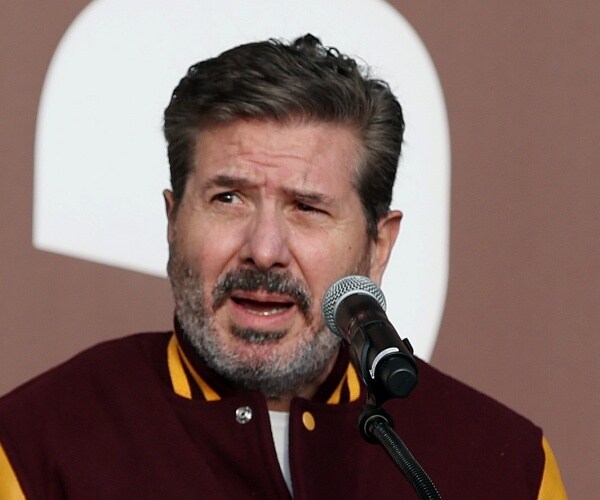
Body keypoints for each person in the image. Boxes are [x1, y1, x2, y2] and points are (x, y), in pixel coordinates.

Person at [0, 34, 567, 499]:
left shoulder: (506, 468)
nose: (264, 249)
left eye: (307, 207)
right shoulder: (33, 448)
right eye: (228, 198)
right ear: (173, 222)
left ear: (378, 246)